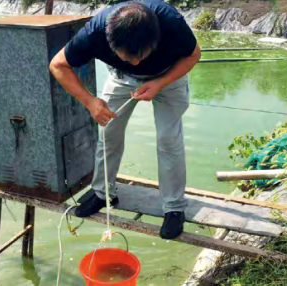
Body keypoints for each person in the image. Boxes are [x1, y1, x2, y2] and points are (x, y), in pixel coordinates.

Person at [50, 0, 201, 240]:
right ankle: (102, 192)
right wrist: (90, 102)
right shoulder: (95, 32)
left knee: (168, 138)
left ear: (155, 40)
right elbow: (58, 65)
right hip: (121, 78)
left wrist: (159, 83)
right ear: (110, 44)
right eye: (128, 57)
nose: (137, 63)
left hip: (168, 77)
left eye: (142, 56)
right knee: (108, 131)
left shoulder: (171, 24)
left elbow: (194, 55)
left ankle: (173, 207)